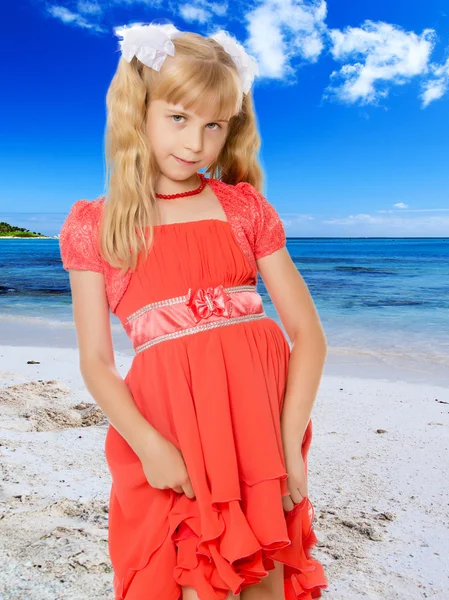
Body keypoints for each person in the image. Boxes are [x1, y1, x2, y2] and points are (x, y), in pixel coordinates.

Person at [59, 21, 329, 600]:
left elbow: (308, 334)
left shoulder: (244, 209)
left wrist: (285, 451)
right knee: (179, 575)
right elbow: (96, 363)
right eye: (178, 118)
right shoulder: (93, 225)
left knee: (263, 578)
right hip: (167, 435)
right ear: (139, 111)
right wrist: (150, 447)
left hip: (259, 434)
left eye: (214, 125)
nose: (197, 142)